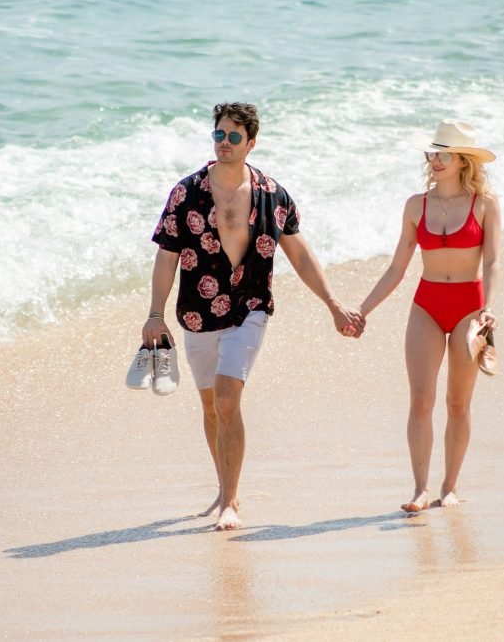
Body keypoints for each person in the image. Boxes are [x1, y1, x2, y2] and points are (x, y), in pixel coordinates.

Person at [143, 102, 364, 530]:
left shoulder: (273, 195)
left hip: (250, 307)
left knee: (227, 399)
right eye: (219, 135)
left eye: (234, 137)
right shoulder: (186, 193)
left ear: (251, 142)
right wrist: (155, 314)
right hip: (197, 314)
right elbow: (166, 257)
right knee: (211, 408)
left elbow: (300, 255)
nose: (224, 143)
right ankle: (224, 487)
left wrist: (333, 304)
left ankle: (231, 502)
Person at [353, 119, 500, 512]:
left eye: (444, 155)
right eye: (432, 153)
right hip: (427, 305)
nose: (435, 160)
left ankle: (449, 487)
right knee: (421, 399)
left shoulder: (485, 205)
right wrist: (363, 310)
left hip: (470, 309)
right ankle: (419, 489)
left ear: (463, 160)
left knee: (458, 403)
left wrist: (488, 308)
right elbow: (396, 268)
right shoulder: (415, 205)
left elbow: (492, 263)